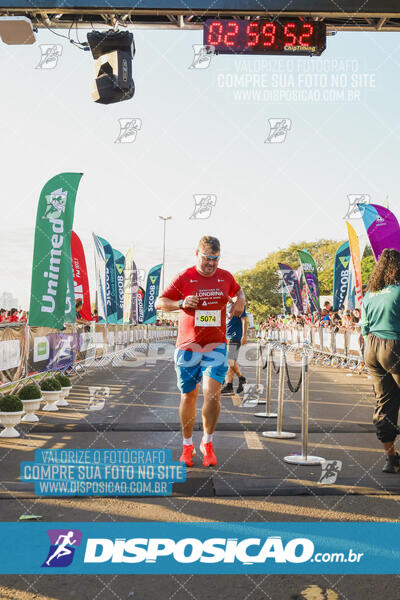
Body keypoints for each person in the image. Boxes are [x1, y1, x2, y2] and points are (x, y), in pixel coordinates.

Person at [155, 235, 245, 468]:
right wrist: (181, 304)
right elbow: (159, 302)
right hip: (187, 347)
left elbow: (239, 291)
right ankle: (187, 446)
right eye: (207, 258)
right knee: (188, 396)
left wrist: (240, 301)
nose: (211, 263)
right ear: (197, 254)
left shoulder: (225, 277)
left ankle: (208, 442)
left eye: (215, 259)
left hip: (215, 345)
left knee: (212, 393)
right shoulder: (184, 277)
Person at [362, 249, 400, 473]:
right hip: (393, 344)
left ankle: (391, 459)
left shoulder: (370, 294)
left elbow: (364, 327)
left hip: (371, 347)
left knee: (384, 403)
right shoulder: (397, 291)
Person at [220, 301, 247, 395]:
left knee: (230, 361)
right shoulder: (223, 305)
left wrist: (244, 335)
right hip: (225, 336)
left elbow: (244, 320)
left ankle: (241, 378)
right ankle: (230, 386)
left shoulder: (238, 304)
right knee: (231, 362)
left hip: (235, 336)